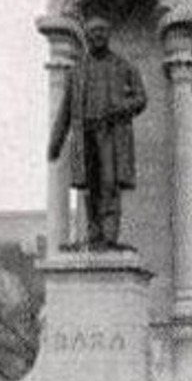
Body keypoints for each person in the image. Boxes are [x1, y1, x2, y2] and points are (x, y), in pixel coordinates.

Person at [47, 16, 147, 249]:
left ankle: (110, 237)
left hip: (111, 135)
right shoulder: (77, 71)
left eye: (102, 31)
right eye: (93, 32)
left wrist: (121, 106)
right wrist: (55, 142)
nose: (98, 36)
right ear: (87, 36)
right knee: (91, 188)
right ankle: (95, 236)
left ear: (108, 35)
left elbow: (141, 98)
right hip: (86, 135)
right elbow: (65, 111)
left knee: (109, 185)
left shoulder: (124, 66)